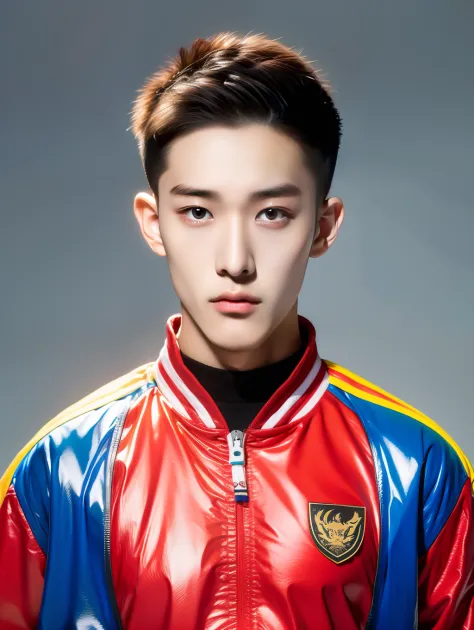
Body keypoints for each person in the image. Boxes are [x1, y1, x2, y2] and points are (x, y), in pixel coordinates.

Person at [0, 31, 472, 630]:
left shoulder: (416, 467)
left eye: (272, 213)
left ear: (324, 227)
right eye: (198, 211)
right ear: (153, 223)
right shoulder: (60, 468)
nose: (235, 259)